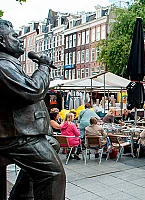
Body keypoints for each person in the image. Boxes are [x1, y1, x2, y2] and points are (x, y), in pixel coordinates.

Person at [0, 20, 65, 199]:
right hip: (15, 137)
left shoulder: (10, 65)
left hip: (21, 134)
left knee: (53, 144)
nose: (19, 40)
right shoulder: (2, 66)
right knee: (53, 174)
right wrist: (43, 67)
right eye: (14, 36)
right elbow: (33, 90)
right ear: (1, 41)